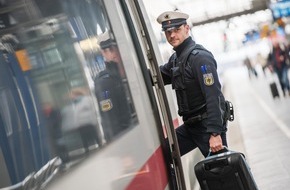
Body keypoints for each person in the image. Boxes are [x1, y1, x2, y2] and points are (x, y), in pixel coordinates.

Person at [156, 11, 229, 158]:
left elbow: (214, 96)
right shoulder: (176, 59)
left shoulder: (200, 58)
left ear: (187, 29)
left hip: (206, 127)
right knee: (164, 153)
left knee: (222, 175)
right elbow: (157, 76)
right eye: (168, 32)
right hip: (190, 127)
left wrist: (215, 133)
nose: (172, 35)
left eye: (177, 30)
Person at [94, 31, 133, 142]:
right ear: (103, 54)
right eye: (109, 50)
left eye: (115, 48)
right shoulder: (104, 82)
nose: (114, 53)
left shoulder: (132, 72)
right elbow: (110, 122)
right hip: (125, 138)